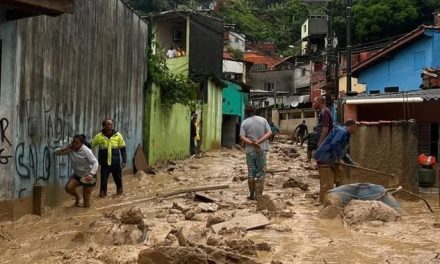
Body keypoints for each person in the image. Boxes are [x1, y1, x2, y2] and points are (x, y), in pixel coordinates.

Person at [313, 119, 358, 203]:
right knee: (327, 183)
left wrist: (351, 163)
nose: (356, 130)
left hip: (331, 159)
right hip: (324, 158)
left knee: (339, 178)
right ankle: (324, 203)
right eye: (356, 127)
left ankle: (338, 199)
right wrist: (338, 158)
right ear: (352, 126)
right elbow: (334, 144)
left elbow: (343, 152)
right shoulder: (342, 131)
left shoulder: (346, 134)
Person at [54, 134, 98, 208]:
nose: (74, 144)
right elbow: (56, 152)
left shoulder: (86, 151)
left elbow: (95, 162)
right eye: (73, 142)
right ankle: (78, 197)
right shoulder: (70, 149)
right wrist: (64, 149)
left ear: (81, 143)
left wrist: (91, 174)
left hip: (88, 176)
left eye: (76, 143)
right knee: (68, 188)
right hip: (77, 175)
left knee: (86, 205)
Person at [240, 106, 272, 200]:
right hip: (261, 150)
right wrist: (259, 142)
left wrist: (252, 143)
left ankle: (251, 195)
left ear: (246, 113)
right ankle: (258, 196)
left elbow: (242, 137)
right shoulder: (263, 120)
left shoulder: (244, 122)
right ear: (255, 112)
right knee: (261, 172)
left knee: (251, 172)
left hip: (250, 151)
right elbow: (269, 133)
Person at [91, 119, 127, 197]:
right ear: (104, 126)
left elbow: (123, 149)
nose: (111, 125)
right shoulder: (99, 136)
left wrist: (124, 161)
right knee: (103, 179)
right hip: (104, 163)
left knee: (118, 178)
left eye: (111, 124)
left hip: (115, 162)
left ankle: (119, 190)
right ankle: (103, 193)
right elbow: (91, 144)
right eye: (108, 124)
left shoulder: (118, 135)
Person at [307, 96, 333, 161]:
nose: (313, 104)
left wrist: (321, 141)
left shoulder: (325, 111)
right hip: (319, 136)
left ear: (320, 102)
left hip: (323, 138)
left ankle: (310, 162)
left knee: (315, 152)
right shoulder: (322, 111)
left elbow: (325, 127)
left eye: (315, 102)